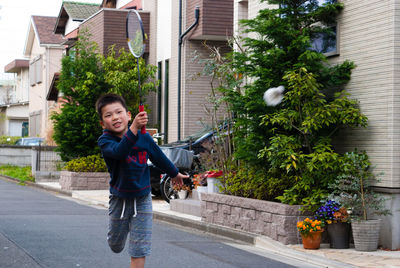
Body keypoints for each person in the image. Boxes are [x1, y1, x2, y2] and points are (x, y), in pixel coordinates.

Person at [96, 93, 188, 268]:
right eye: (108, 115)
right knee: (115, 246)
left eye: (118, 112)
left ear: (128, 115)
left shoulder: (144, 138)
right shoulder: (105, 141)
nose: (115, 117)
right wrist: (134, 129)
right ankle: (116, 237)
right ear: (103, 123)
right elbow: (120, 151)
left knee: (140, 249)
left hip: (143, 199)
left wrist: (175, 173)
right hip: (119, 199)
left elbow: (158, 157)